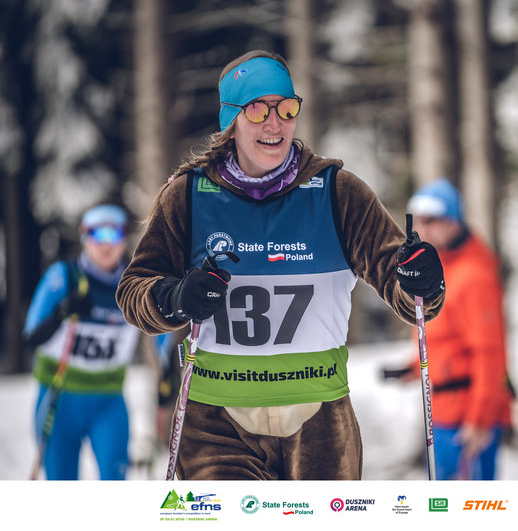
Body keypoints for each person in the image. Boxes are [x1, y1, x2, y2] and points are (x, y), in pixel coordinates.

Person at [115, 50, 445, 480]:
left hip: (319, 425)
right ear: (231, 120)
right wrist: (175, 298)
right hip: (217, 427)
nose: (275, 124)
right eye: (257, 109)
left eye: (286, 108)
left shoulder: (337, 193)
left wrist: (422, 280)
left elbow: (407, 293)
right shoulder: (189, 197)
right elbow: (134, 290)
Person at [393, 179, 512, 480]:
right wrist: (415, 367)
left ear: (454, 221)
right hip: (443, 413)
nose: (423, 228)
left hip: (467, 418)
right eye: (419, 221)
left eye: (432, 220)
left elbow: (489, 351)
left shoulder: (474, 275)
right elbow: (445, 339)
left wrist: (480, 419)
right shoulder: (442, 270)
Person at [24, 203, 141, 480]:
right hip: (59, 397)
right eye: (98, 234)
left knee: (115, 481)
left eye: (114, 234)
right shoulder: (63, 277)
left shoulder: (135, 282)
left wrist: (165, 381)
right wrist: (63, 311)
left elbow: (162, 337)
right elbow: (31, 336)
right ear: (84, 236)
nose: (106, 245)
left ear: (124, 237)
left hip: (108, 399)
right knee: (63, 484)